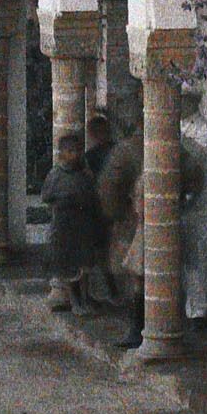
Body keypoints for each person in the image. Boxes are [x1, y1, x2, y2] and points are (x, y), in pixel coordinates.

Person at [41, 131, 103, 314]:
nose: (75, 155)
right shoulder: (56, 174)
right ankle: (75, 302)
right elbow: (47, 196)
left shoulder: (84, 175)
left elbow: (92, 195)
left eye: (77, 151)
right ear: (62, 153)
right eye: (70, 151)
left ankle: (86, 298)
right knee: (70, 267)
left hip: (83, 225)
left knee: (85, 266)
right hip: (64, 225)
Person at [96, 118, 144, 346]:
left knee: (136, 275)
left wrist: (114, 215)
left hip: (136, 221)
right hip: (149, 220)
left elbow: (109, 188)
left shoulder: (126, 151)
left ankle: (139, 328)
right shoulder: (177, 145)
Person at [179, 84, 207, 330]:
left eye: (184, 101)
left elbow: (196, 162)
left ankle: (197, 311)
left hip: (197, 199)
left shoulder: (205, 131)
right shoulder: (176, 126)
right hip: (179, 195)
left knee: (195, 254)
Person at [83, 113, 117, 301]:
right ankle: (112, 290)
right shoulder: (117, 150)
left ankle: (110, 290)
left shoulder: (92, 156)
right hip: (113, 206)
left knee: (102, 252)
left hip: (102, 208)